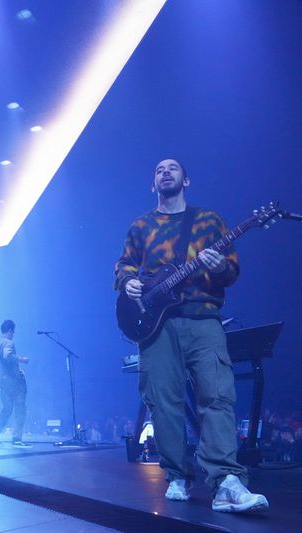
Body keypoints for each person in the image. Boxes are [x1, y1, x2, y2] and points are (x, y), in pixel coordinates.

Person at [114, 158, 268, 513]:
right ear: (153, 184)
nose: (165, 171)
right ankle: (177, 474)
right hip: (155, 325)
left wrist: (220, 267)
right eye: (158, 169)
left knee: (216, 396)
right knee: (161, 401)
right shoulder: (141, 226)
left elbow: (232, 271)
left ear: (186, 180)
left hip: (203, 318)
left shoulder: (209, 221)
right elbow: (123, 264)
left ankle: (226, 480)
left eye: (173, 168)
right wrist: (129, 281)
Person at [0, 320, 30, 446]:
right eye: (13, 332)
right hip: (14, 383)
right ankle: (17, 438)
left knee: (7, 409)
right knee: (20, 409)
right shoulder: (8, 343)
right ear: (10, 330)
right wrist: (21, 359)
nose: (13, 334)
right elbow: (8, 356)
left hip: (3, 382)